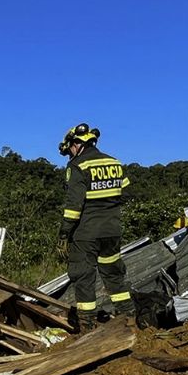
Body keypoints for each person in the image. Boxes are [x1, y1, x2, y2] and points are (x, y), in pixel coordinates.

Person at [58, 123, 135, 331]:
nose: (70, 154)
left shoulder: (77, 166)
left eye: (70, 149)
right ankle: (128, 319)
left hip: (86, 233)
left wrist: (64, 234)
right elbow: (126, 193)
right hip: (112, 231)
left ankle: (87, 327)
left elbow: (73, 208)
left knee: (83, 276)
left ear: (76, 144)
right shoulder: (114, 162)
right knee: (113, 275)